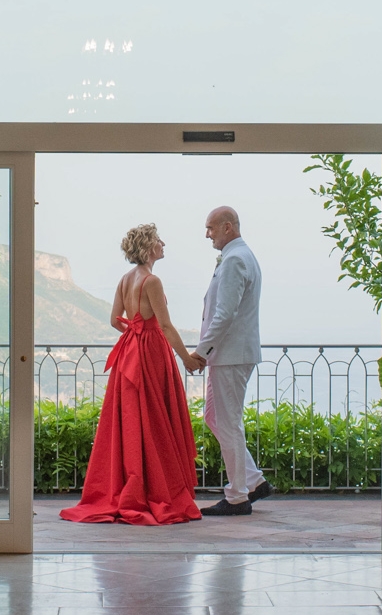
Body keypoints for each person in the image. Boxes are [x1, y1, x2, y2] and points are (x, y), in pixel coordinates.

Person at [60, 223, 205, 525]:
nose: (163, 243)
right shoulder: (152, 281)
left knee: (132, 420)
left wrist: (134, 331)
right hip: (151, 352)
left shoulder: (125, 279)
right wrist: (187, 359)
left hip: (130, 351)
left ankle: (129, 483)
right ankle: (154, 488)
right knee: (155, 421)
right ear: (149, 247)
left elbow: (116, 320)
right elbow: (165, 326)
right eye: (158, 240)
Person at [196, 206, 271, 516]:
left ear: (227, 227)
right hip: (230, 355)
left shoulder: (235, 259)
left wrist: (202, 351)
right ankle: (254, 482)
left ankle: (238, 496)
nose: (207, 234)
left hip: (230, 356)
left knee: (228, 424)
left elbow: (224, 314)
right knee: (215, 418)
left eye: (211, 228)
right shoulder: (240, 256)